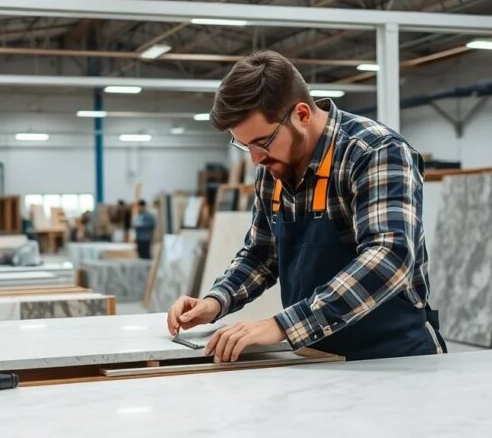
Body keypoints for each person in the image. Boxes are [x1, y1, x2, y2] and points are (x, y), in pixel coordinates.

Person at [167, 50, 446, 362]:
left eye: (262, 142)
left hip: (394, 358)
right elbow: (261, 254)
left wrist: (283, 325)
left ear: (301, 114)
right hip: (317, 354)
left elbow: (390, 258)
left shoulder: (374, 152)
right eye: (245, 146)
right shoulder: (273, 170)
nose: (255, 159)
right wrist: (217, 300)